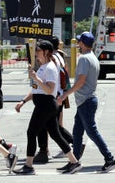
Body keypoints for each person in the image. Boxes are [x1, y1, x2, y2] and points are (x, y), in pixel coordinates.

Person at [14, 40, 81, 175]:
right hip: (44, 104)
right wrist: (23, 101)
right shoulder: (43, 67)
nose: (36, 53)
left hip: (46, 104)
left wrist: (36, 78)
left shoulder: (50, 68)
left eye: (38, 50)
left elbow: (50, 90)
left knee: (31, 132)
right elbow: (35, 90)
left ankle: (28, 165)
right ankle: (74, 162)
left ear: (46, 52)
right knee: (56, 134)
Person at [57, 32, 115, 173]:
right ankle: (75, 161)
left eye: (79, 42)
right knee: (77, 131)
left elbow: (81, 81)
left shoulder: (84, 59)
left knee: (91, 131)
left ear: (83, 43)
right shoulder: (93, 58)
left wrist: (65, 94)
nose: (78, 44)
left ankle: (109, 159)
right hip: (86, 100)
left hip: (86, 100)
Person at [37, 35, 73, 162]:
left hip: (53, 95)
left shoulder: (52, 59)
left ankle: (44, 151)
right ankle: (72, 143)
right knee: (53, 126)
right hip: (58, 93)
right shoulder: (60, 56)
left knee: (49, 127)